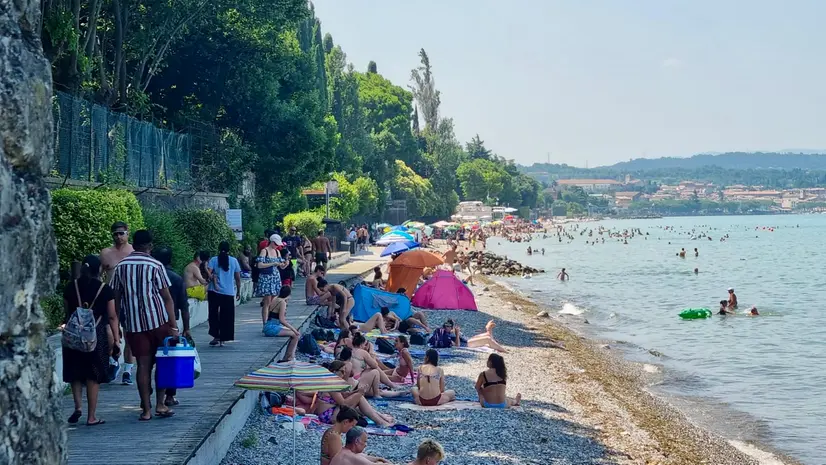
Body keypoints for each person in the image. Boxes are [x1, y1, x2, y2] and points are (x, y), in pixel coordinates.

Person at [110, 230, 178, 421]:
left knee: (142, 365)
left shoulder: (121, 267)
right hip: (158, 321)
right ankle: (160, 404)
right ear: (150, 245)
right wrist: (173, 325)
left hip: (134, 324)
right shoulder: (155, 265)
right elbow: (167, 298)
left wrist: (122, 322)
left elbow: (116, 299)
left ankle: (146, 410)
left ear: (133, 243)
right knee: (162, 364)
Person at [63, 255, 119, 426]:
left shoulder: (70, 287)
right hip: (96, 336)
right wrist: (116, 339)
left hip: (73, 336)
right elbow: (111, 316)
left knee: (75, 373)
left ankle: (78, 407)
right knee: (92, 376)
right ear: (99, 270)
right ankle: (91, 416)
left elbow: (67, 313)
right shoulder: (105, 289)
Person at [152, 246, 192, 407]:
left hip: (150, 322)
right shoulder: (175, 278)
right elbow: (184, 306)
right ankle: (169, 397)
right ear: (171, 259)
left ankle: (146, 398)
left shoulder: (151, 276)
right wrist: (186, 328)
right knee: (169, 361)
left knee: (147, 362)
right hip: (170, 324)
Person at [100, 221, 135, 385]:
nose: (119, 236)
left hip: (130, 298)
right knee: (110, 334)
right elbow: (99, 275)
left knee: (130, 335)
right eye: (115, 233)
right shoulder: (106, 253)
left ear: (127, 233)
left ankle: (128, 369)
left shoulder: (134, 252)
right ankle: (114, 362)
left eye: (121, 233)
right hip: (110, 299)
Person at [207, 241, 241, 346]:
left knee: (213, 314)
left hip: (214, 291)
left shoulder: (213, 260)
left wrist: (212, 276)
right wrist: (238, 291)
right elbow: (238, 278)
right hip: (228, 292)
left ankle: (215, 336)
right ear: (229, 250)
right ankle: (224, 338)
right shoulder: (234, 261)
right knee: (227, 316)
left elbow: (209, 273)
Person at [262, 286, 300, 361]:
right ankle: (288, 357)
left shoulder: (276, 298)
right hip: (272, 328)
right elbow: (282, 320)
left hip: (269, 325)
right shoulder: (282, 302)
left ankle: (292, 356)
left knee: (295, 331)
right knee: (295, 335)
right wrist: (293, 329)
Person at [256, 234, 290, 311]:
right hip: (267, 277)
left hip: (275, 277)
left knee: (274, 300)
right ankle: (265, 320)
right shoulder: (264, 251)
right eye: (276, 244)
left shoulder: (277, 251)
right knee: (267, 301)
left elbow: (281, 266)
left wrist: (285, 264)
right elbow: (260, 265)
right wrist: (273, 264)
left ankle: (271, 318)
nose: (277, 246)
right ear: (272, 242)